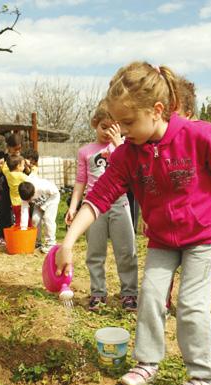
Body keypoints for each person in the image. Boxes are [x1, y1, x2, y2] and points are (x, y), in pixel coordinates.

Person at [56, 61, 211, 385]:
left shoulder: (198, 134)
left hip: (202, 237)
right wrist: (68, 241)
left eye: (129, 122)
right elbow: (98, 198)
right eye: (119, 123)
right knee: (150, 297)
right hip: (162, 239)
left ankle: (205, 379)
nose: (123, 131)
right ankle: (147, 363)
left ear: (157, 110)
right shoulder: (128, 155)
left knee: (191, 305)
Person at [65, 99, 138, 312]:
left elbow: (132, 169)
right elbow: (80, 180)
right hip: (92, 206)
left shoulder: (124, 148)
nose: (107, 132)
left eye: (112, 128)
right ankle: (98, 292)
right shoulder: (85, 151)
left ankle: (129, 293)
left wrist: (118, 144)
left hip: (120, 203)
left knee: (126, 251)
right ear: (94, 124)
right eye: (103, 127)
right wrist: (73, 206)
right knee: (95, 252)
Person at [19, 177, 60, 253]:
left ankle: (51, 243)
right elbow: (24, 211)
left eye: (30, 199)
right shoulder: (24, 193)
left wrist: (45, 206)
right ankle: (38, 242)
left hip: (52, 200)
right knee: (35, 219)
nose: (29, 201)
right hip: (39, 203)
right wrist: (23, 229)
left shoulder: (43, 187)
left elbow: (56, 193)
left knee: (48, 219)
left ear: (34, 192)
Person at [0, 134, 22, 246]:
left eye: (19, 148)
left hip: (18, 190)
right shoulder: (4, 158)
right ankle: (1, 236)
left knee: (18, 213)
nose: (17, 151)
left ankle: (16, 234)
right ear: (9, 147)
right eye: (15, 148)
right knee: (4, 211)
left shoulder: (21, 158)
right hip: (5, 188)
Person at [1, 155, 28, 226]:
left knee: (18, 220)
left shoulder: (8, 174)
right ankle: (23, 234)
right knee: (25, 220)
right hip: (22, 202)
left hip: (14, 203)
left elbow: (4, 167)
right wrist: (34, 168)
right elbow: (32, 179)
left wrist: (7, 160)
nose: (24, 167)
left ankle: (19, 233)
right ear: (18, 166)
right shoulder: (21, 175)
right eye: (23, 165)